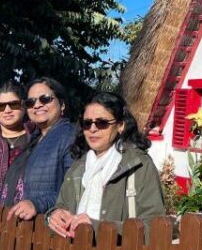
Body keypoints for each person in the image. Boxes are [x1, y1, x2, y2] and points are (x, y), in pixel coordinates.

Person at [47, 92, 165, 240]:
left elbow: (154, 228)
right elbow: (61, 208)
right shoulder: (77, 169)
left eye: (101, 123)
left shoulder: (139, 166)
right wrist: (54, 216)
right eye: (87, 123)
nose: (93, 129)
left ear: (121, 125)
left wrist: (97, 227)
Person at [3, 77, 75, 221]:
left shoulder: (70, 136)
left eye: (45, 99)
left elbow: (74, 189)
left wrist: (37, 204)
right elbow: (17, 186)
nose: (37, 105)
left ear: (62, 105)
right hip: (14, 226)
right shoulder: (33, 140)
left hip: (43, 227)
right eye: (30, 102)